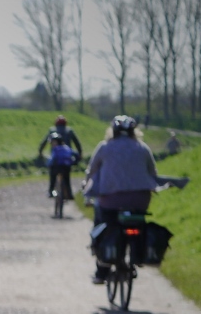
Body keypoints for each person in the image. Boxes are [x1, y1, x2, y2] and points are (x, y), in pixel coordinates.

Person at [83, 115, 159, 282]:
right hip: (140, 201)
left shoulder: (104, 147)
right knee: (138, 222)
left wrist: (87, 188)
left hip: (111, 201)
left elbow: (92, 170)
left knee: (102, 222)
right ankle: (137, 254)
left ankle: (102, 270)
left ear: (112, 131)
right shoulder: (143, 148)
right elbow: (153, 173)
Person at [46, 130, 80, 210]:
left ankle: (51, 191)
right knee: (67, 180)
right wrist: (75, 161)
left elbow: (52, 159)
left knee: (52, 178)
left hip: (56, 167)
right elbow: (76, 154)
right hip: (66, 167)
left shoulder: (55, 149)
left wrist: (48, 164)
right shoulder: (67, 147)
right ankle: (69, 194)